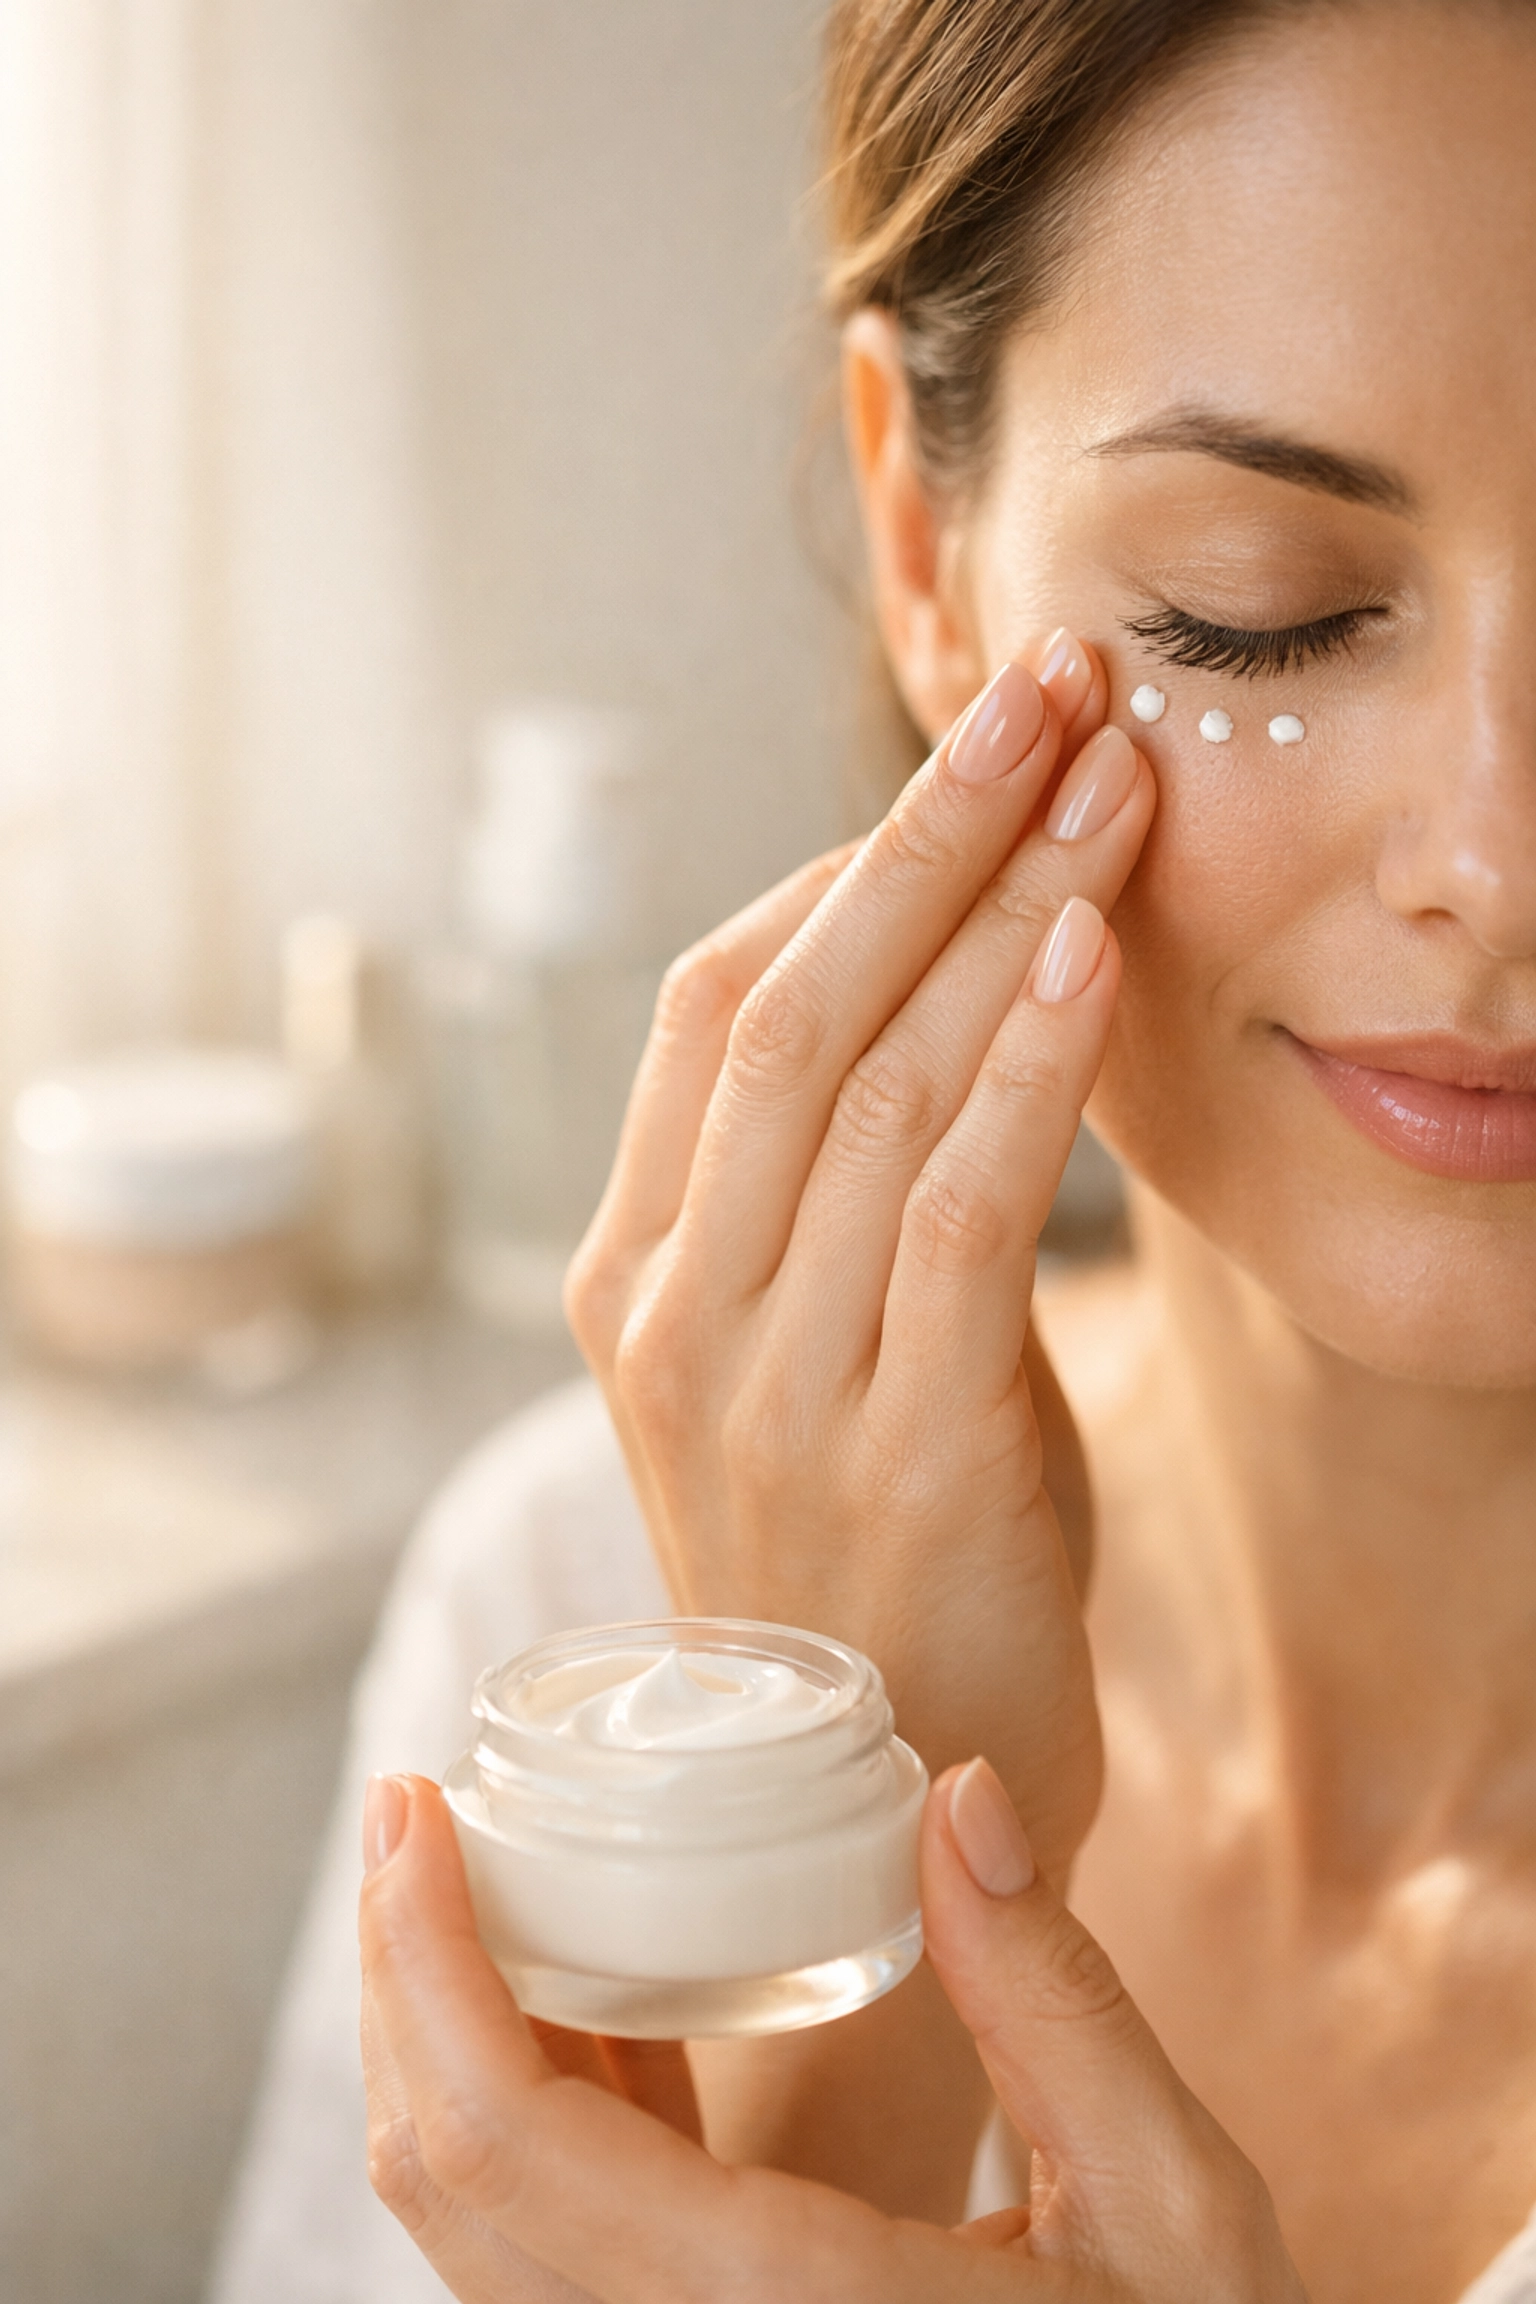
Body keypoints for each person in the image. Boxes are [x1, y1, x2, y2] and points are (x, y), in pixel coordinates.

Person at [352, 0, 1536, 2296]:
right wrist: (815, 1909)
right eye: (1259, 612)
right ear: (922, 536)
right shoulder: (571, 1658)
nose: (1496, 862)